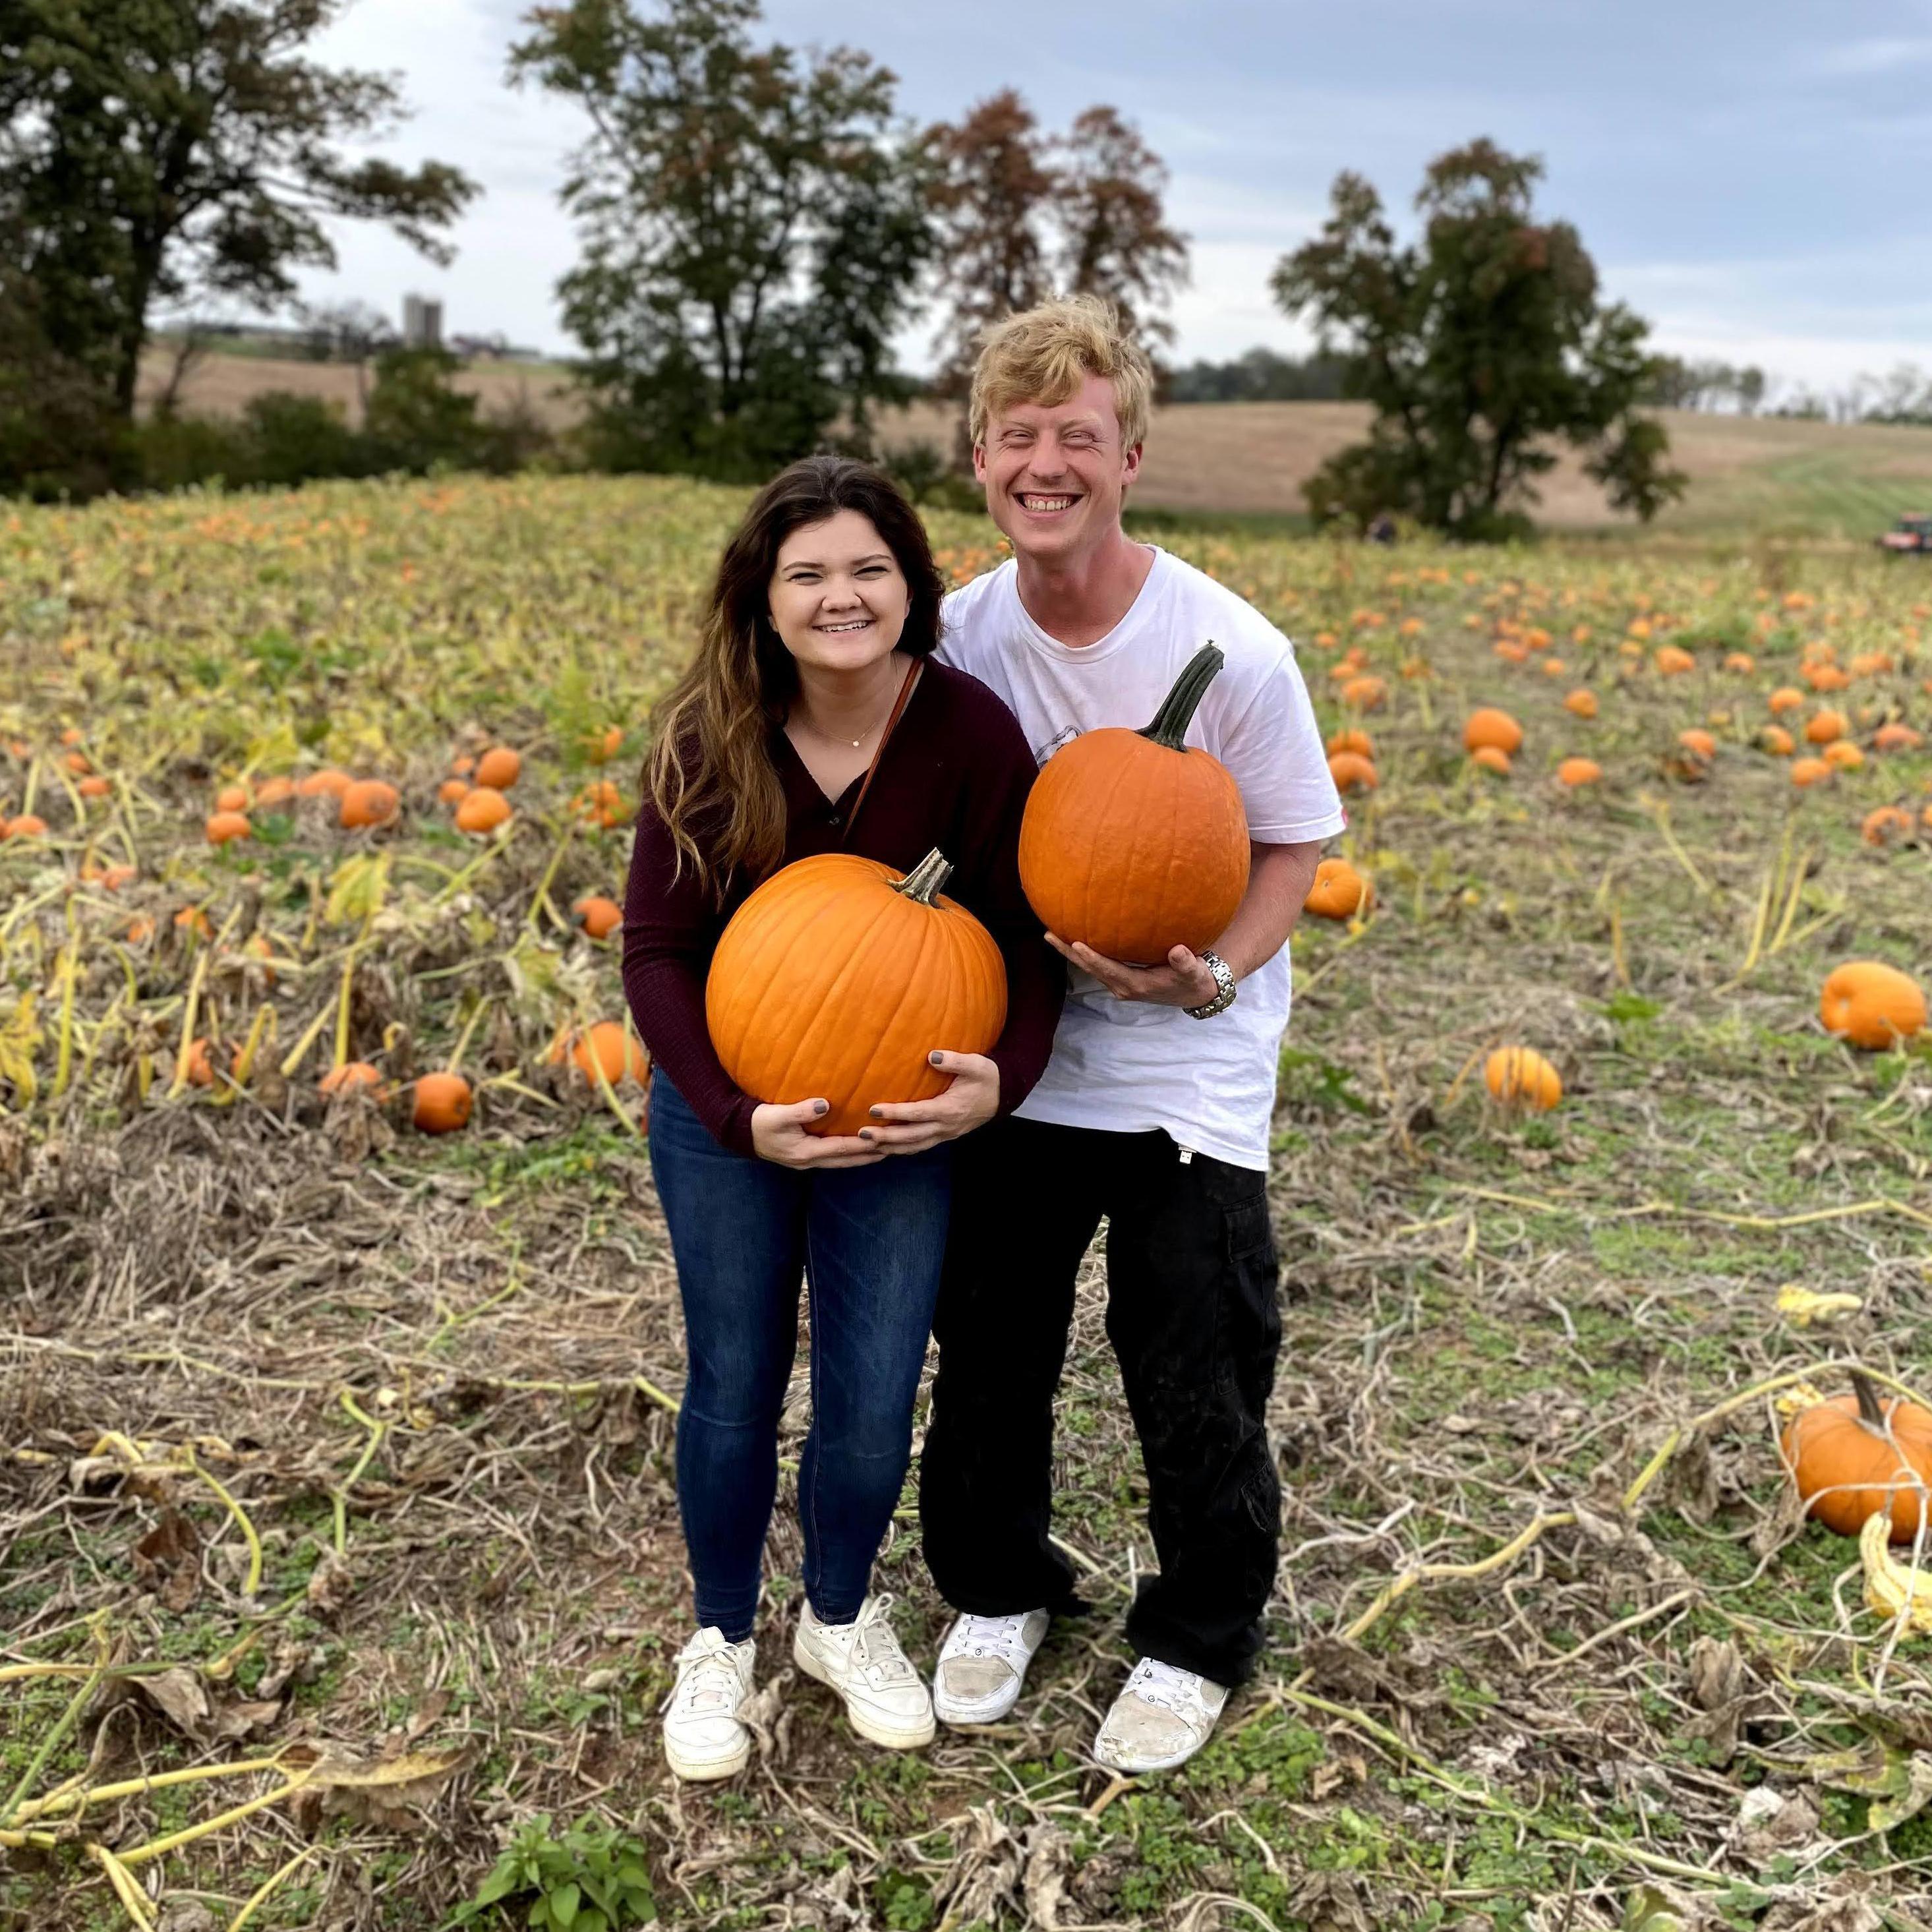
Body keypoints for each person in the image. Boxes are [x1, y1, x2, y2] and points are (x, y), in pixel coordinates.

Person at [918, 297, 1346, 1774]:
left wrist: (1210, 977)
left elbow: (1291, 845)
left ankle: (1196, 1631)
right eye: (1018, 435)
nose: (1046, 462)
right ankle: (995, 1583)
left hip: (1183, 1052)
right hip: (1022, 1044)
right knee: (986, 1334)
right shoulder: (959, 634)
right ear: (979, 457)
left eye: (1076, 437)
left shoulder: (1229, 649)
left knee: (1192, 1344)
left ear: (1129, 456)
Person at [621, 456, 1063, 1782]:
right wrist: (732, 1109)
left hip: (897, 1126)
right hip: (726, 1110)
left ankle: (835, 1612)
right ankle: (716, 1637)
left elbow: (1028, 941)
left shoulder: (970, 734)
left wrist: (1007, 1074)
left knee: (872, 1395)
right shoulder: (708, 736)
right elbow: (652, 951)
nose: (840, 595)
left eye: (867, 567)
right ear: (761, 596)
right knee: (735, 1379)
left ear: (912, 587)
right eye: (807, 571)